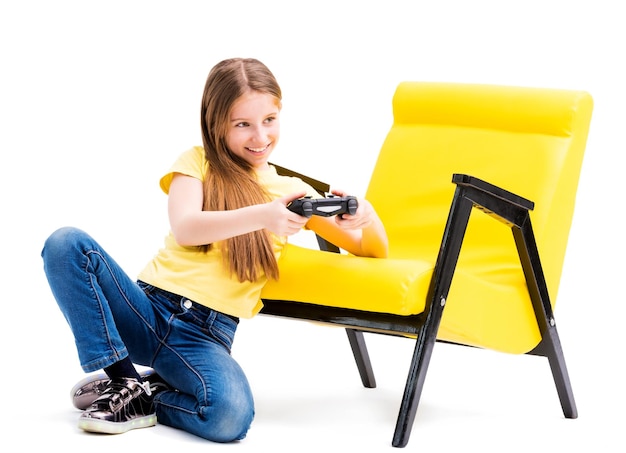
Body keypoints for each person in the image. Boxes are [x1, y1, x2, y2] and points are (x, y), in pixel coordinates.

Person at [41, 57, 388, 442]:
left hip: (204, 336)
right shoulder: (197, 162)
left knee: (228, 417)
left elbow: (372, 252)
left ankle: (142, 393)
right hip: (148, 309)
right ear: (216, 121)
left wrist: (369, 218)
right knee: (66, 244)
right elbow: (187, 227)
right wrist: (264, 216)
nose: (260, 137)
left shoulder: (292, 192)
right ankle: (121, 377)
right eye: (243, 124)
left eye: (269, 120)